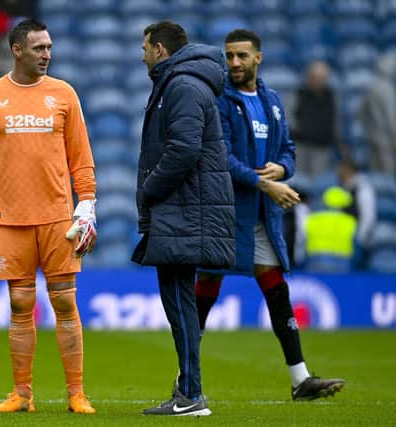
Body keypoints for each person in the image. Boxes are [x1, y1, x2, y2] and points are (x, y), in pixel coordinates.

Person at [194, 29, 345, 401]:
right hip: (226, 213)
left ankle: (300, 380)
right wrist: (266, 185)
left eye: (242, 56)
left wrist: (281, 169)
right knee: (204, 294)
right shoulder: (221, 101)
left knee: (277, 292)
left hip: (260, 216)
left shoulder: (272, 100)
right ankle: (186, 383)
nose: (234, 63)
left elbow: (289, 149)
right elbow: (221, 158)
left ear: (258, 58)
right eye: (229, 56)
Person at [0, 18, 97, 414]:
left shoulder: (64, 94)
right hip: (9, 217)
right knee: (20, 303)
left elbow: (81, 158)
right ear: (17, 50)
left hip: (58, 218)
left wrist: (86, 204)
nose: (47, 54)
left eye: (49, 47)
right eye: (38, 48)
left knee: (65, 303)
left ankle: (76, 393)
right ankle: (22, 394)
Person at [131, 21, 235, 417]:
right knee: (179, 302)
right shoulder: (179, 83)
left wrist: (150, 188)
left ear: (160, 49)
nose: (141, 55)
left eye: (144, 48)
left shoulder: (183, 86)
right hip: (184, 209)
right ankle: (187, 390)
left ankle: (191, 395)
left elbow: (184, 149)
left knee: (179, 302)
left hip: (184, 209)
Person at [291, 60, 341, 177]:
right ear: (309, 77)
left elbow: (335, 121)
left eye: (323, 78)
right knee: (299, 181)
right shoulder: (298, 94)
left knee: (318, 180)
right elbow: (289, 119)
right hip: (301, 146)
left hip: (321, 147)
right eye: (317, 78)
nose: (320, 81)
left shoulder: (331, 96)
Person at [358, 51, 396, 175]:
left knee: (375, 171)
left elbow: (361, 113)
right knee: (388, 172)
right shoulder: (387, 89)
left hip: (373, 135)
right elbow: (391, 118)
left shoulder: (372, 86)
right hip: (386, 138)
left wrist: (369, 129)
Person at [304, 186, 357, 272]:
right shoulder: (350, 221)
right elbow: (355, 243)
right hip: (342, 260)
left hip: (315, 258)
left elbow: (303, 239)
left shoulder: (312, 218)